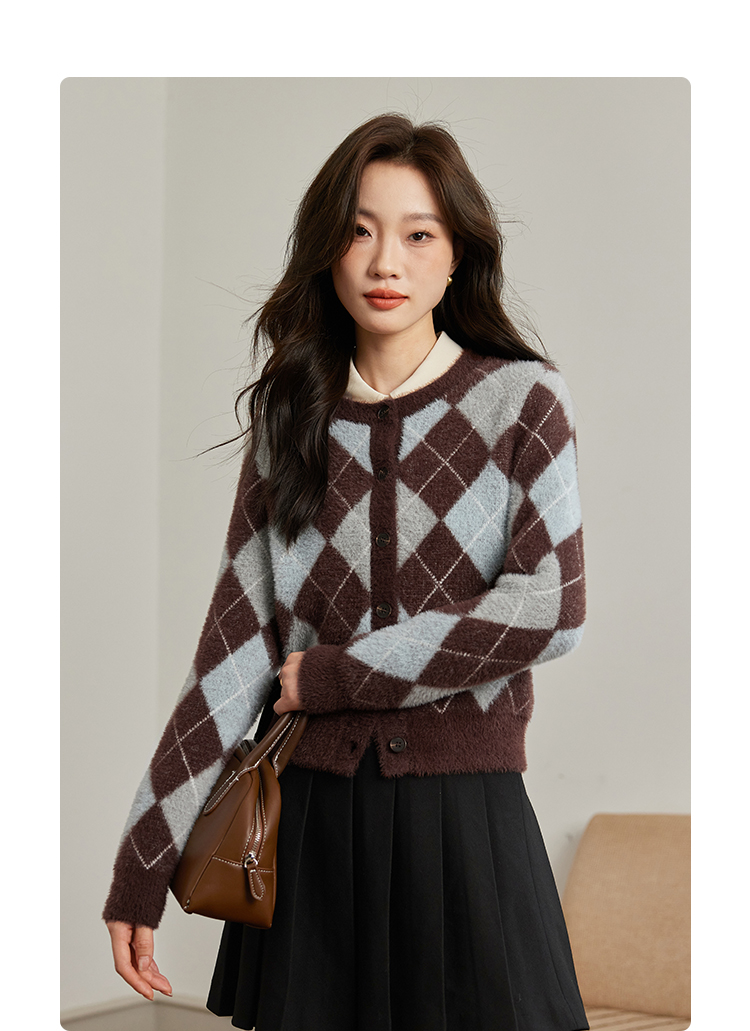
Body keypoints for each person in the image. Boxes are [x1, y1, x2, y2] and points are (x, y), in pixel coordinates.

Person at [104, 113, 589, 1031]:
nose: (384, 262)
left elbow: (550, 606)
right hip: (312, 827)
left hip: (464, 822)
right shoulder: (292, 419)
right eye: (359, 231)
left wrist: (338, 675)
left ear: (458, 254)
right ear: (328, 249)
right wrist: (143, 859)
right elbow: (234, 653)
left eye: (418, 235)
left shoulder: (523, 401)